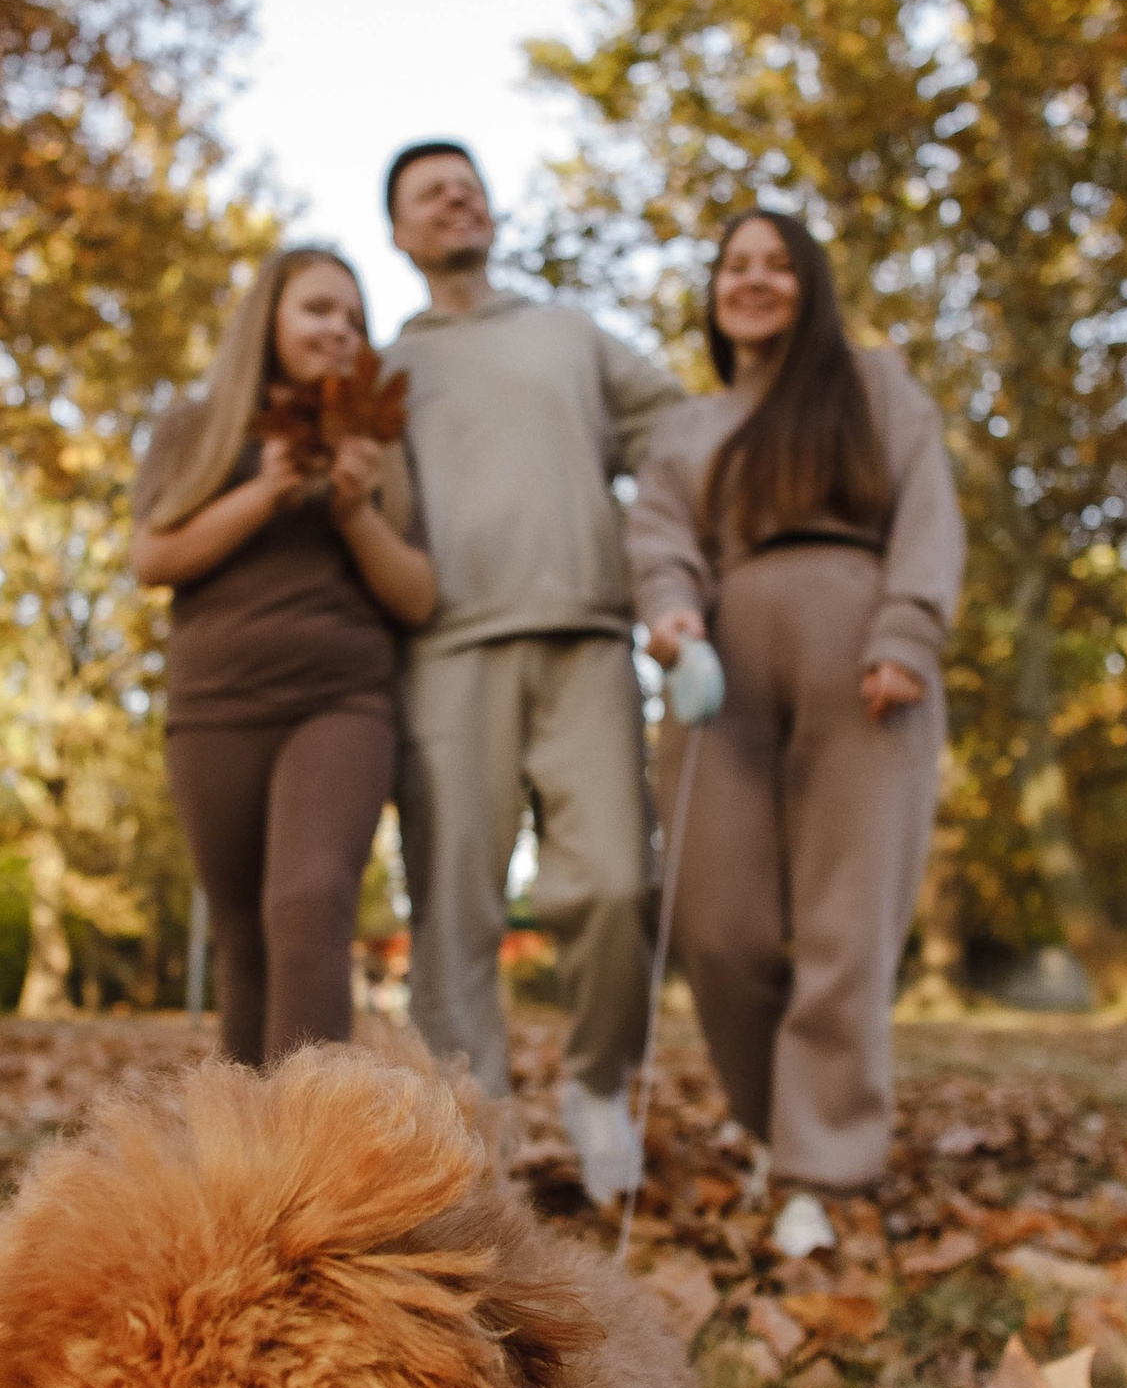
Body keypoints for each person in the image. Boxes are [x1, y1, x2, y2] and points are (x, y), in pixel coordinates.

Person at [629, 208, 963, 1260]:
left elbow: (928, 507)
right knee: (718, 924)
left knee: (842, 924)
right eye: (736, 264)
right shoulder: (686, 426)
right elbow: (660, 538)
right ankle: (776, 1126)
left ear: (809, 283)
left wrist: (908, 628)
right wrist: (672, 612)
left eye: (778, 263)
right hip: (719, 665)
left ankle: (819, 1168)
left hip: (866, 651)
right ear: (713, 291)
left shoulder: (874, 386)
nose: (755, 279)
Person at [382, 140, 680, 1198]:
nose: (454, 197)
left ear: (490, 212)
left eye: (466, 183)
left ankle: (599, 1083)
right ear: (401, 235)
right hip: (445, 658)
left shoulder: (569, 334)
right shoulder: (386, 369)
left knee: (614, 884)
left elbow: (678, 434)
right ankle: (476, 1149)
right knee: (453, 910)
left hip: (588, 637)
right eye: (429, 192)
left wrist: (672, 572)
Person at [130, 246, 434, 1067]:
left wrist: (355, 507)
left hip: (339, 702)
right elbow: (153, 560)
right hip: (215, 707)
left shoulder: (380, 444)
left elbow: (416, 597)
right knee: (241, 940)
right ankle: (248, 1164)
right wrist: (265, 490)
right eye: (317, 310)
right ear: (269, 318)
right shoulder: (197, 430)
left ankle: (314, 1156)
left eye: (355, 320)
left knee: (308, 905)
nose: (339, 331)